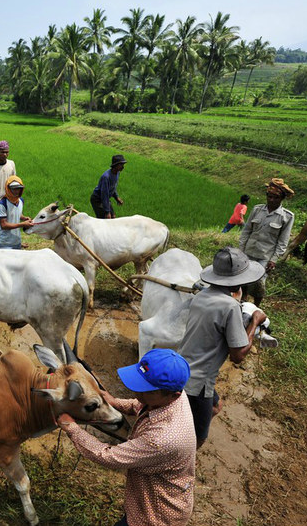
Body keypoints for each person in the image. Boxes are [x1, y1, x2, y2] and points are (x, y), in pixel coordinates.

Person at [58, 348, 197, 526]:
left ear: (173, 395)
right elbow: (142, 404)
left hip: (154, 514)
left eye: (146, 389)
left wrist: (72, 428)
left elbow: (108, 455)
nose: (136, 391)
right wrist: (115, 402)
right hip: (144, 495)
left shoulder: (162, 439)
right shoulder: (174, 390)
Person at [177, 247, 268, 448]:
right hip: (198, 382)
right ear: (240, 282)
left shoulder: (201, 296)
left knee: (216, 406)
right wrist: (254, 322)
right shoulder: (230, 306)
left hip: (180, 367)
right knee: (198, 437)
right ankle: (184, 460)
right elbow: (238, 355)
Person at [238, 178, 295, 306]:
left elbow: (283, 240)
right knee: (243, 277)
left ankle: (255, 307)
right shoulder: (257, 210)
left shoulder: (286, 216)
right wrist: (241, 250)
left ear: (281, 199)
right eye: (269, 196)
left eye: (276, 197)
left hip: (265, 255)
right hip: (249, 250)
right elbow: (246, 230)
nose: (271, 200)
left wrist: (274, 259)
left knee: (259, 282)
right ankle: (243, 300)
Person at [0, 176, 33, 250]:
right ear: (8, 189)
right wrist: (23, 224)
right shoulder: (2, 204)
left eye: (18, 188)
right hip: (5, 245)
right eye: (14, 189)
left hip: (17, 243)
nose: (16, 191)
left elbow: (17, 213)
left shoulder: (20, 201)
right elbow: (4, 225)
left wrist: (24, 218)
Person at [90, 154, 126, 219]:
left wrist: (116, 198)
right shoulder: (106, 177)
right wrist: (107, 212)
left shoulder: (117, 173)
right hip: (97, 200)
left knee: (113, 217)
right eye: (121, 165)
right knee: (105, 219)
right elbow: (104, 194)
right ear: (115, 165)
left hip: (105, 199)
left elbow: (112, 187)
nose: (123, 167)